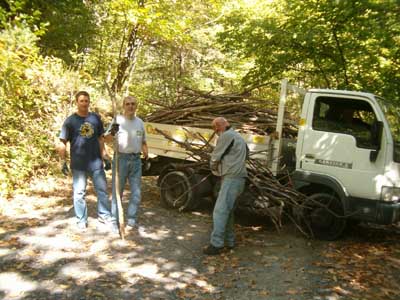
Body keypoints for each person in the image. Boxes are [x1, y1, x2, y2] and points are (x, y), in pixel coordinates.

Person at [57, 91, 113, 230]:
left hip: (96, 163)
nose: (84, 103)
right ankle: (81, 220)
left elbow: (101, 139)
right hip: (78, 164)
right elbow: (62, 142)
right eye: (81, 101)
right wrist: (62, 161)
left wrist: (105, 156)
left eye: (86, 100)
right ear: (77, 102)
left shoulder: (95, 119)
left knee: (102, 191)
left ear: (89, 102)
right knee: (79, 193)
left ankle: (104, 216)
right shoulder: (70, 121)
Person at [203, 117, 248, 255]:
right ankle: (230, 242)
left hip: (231, 179)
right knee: (228, 211)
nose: (215, 131)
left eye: (214, 128)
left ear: (218, 126)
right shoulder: (238, 136)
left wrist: (214, 170)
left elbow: (215, 157)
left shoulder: (226, 136)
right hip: (240, 178)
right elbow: (247, 155)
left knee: (220, 211)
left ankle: (216, 244)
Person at [104, 95, 148, 231]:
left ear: (136, 106)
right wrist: (113, 131)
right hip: (120, 159)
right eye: (128, 104)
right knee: (118, 191)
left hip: (135, 160)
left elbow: (143, 141)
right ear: (123, 106)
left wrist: (146, 154)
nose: (130, 106)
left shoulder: (140, 122)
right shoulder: (118, 120)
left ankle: (131, 218)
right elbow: (106, 139)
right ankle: (114, 220)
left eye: (133, 104)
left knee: (136, 192)